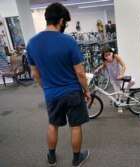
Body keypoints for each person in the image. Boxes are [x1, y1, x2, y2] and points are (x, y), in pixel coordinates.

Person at [26, 2, 91, 166]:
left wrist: (46, 88)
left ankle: (52, 157)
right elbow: (80, 73)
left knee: (53, 124)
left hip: (51, 94)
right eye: (65, 23)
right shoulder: (68, 41)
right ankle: (76, 159)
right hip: (72, 92)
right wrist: (87, 90)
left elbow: (35, 73)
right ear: (61, 21)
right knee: (75, 126)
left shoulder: (32, 43)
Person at [94, 47, 135, 113]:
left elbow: (123, 65)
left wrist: (121, 75)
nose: (108, 56)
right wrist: (98, 69)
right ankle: (119, 106)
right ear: (104, 56)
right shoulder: (105, 61)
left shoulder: (116, 57)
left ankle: (127, 89)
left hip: (121, 75)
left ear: (112, 53)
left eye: (109, 54)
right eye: (106, 55)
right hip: (114, 79)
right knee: (117, 93)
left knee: (133, 81)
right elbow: (103, 66)